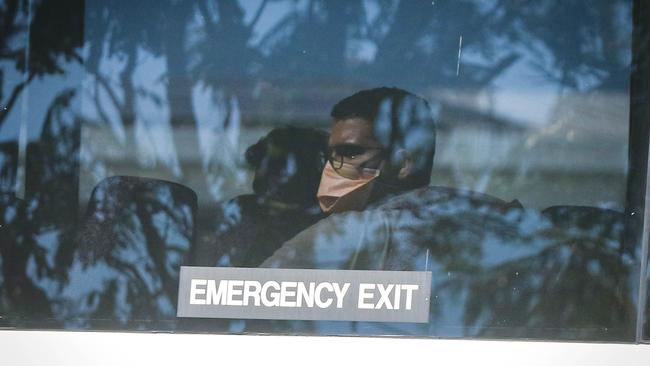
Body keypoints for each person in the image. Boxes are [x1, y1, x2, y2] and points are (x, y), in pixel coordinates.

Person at [260, 87, 523, 270]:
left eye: (350, 153)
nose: (333, 168)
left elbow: (258, 296)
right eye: (330, 156)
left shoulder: (361, 230)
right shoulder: (492, 218)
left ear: (403, 164)